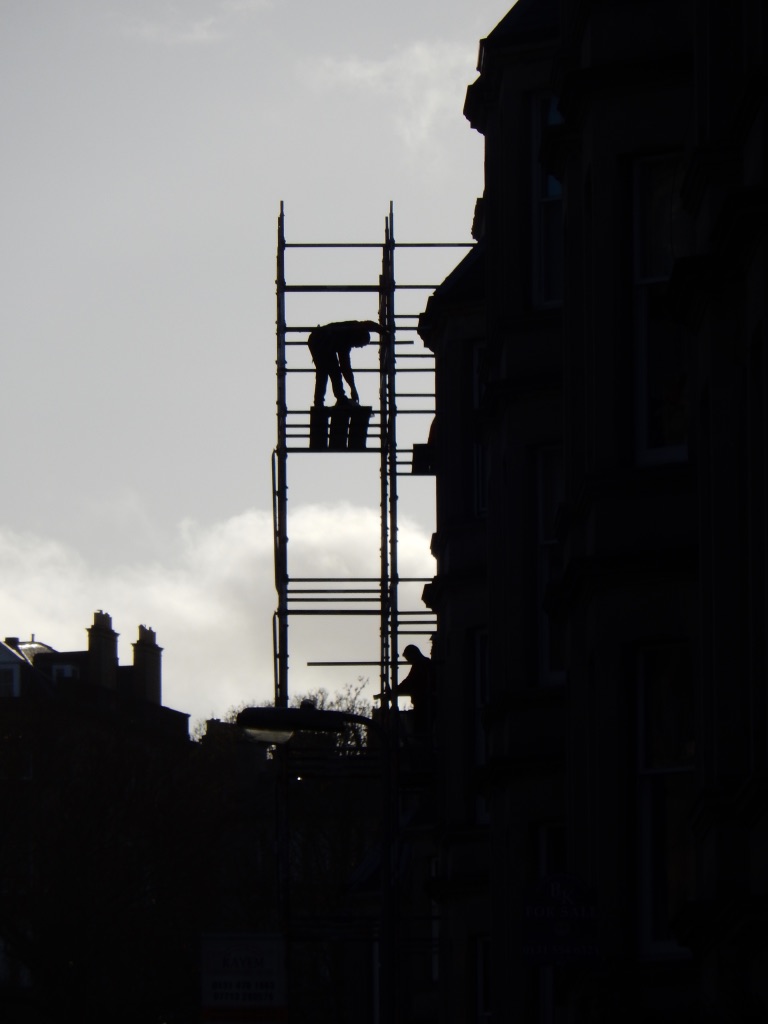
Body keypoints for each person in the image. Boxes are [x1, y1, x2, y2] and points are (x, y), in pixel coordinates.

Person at [307, 320, 381, 407]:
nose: (359, 347)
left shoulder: (354, 328)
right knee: (328, 372)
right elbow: (345, 368)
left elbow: (369, 325)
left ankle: (327, 400)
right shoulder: (346, 341)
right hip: (321, 340)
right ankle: (331, 399)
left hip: (320, 339)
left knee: (328, 371)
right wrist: (353, 388)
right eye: (360, 345)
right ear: (357, 339)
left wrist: (382, 330)